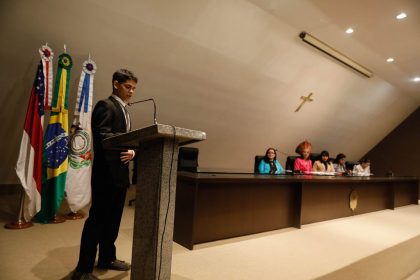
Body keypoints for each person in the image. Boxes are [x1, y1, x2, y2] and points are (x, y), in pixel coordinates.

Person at [72, 69, 138, 280]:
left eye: (134, 88)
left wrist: (134, 151)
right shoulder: (105, 105)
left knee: (113, 221)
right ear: (115, 84)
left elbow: (127, 140)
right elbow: (104, 137)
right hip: (105, 175)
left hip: (120, 175)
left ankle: (107, 258)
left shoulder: (125, 110)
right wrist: (128, 145)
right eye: (128, 87)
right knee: (97, 221)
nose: (131, 92)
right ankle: (83, 269)